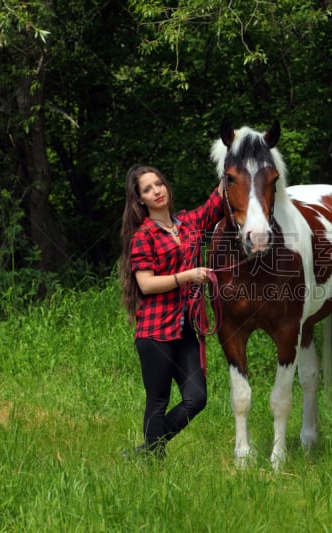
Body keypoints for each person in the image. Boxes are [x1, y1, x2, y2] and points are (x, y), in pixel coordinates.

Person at [118, 164, 224, 458]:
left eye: (158, 184)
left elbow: (217, 201)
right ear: (141, 200)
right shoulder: (144, 236)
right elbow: (147, 284)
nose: (156, 191)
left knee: (197, 398)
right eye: (148, 189)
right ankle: (153, 459)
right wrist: (188, 275)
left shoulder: (189, 224)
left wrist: (235, 160)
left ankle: (148, 448)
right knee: (158, 400)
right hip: (155, 332)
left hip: (188, 328)